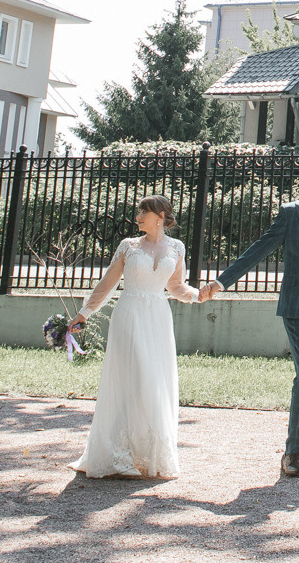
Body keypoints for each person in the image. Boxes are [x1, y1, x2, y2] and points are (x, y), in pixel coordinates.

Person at [201, 155, 299, 478]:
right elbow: (259, 249)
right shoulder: (291, 214)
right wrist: (220, 282)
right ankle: (291, 453)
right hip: (296, 306)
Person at [68, 195, 201, 478]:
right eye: (139, 211)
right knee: (133, 377)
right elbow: (108, 283)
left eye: (144, 212)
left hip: (157, 317)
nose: (138, 216)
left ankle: (147, 453)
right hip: (129, 314)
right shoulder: (128, 247)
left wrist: (198, 295)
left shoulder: (177, 247)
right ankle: (118, 454)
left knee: (153, 381)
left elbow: (176, 286)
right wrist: (85, 313)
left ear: (161, 216)